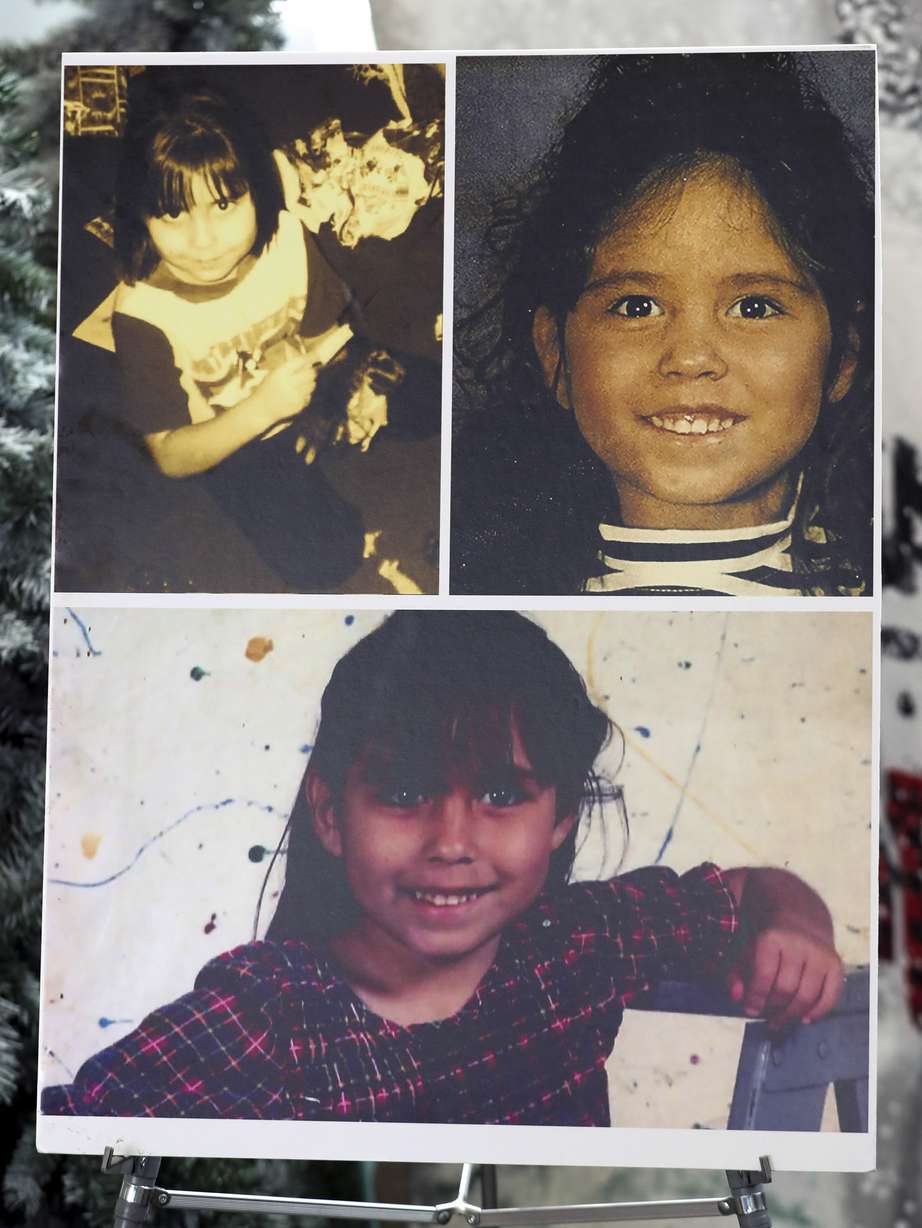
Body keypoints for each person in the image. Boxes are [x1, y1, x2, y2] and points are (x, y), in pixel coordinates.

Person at [41, 612, 845, 1127]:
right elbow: (63, 1148)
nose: (451, 842)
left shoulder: (575, 948)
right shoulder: (261, 1022)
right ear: (331, 814)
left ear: (561, 817)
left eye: (501, 794)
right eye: (403, 792)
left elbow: (749, 892)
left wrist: (797, 928)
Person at [451, 52, 875, 596]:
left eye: (753, 307)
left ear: (844, 356)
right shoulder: (487, 592)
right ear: (555, 351)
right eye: (637, 307)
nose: (691, 358)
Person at [106, 75, 369, 591]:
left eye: (224, 205)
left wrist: (328, 401)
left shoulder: (288, 238)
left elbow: (329, 333)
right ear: (140, 214)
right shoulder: (142, 315)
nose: (203, 242)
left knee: (430, 394)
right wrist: (264, 411)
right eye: (172, 213)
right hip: (230, 442)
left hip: (299, 391)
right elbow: (168, 455)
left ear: (261, 189)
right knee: (329, 560)